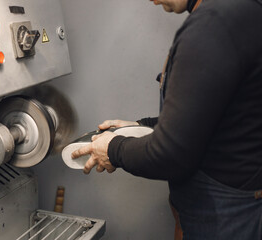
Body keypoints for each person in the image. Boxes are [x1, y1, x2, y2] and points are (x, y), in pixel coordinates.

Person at [71, 0, 262, 239]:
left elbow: (170, 156)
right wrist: (140, 127)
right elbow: (208, 118)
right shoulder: (239, 10)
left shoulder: (212, 24)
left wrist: (112, 149)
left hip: (227, 217)